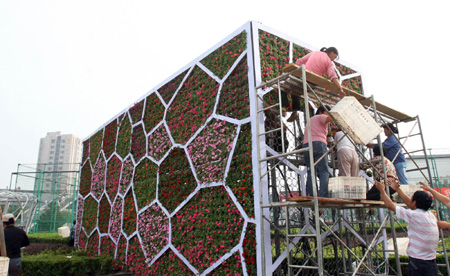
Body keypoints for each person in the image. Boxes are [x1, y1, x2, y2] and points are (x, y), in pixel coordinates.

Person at [375, 180, 438, 276]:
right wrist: (397, 189)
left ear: (415, 202)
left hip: (418, 263)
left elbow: (390, 205)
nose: (410, 200)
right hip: (431, 263)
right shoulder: (430, 215)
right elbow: (410, 204)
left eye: (411, 198)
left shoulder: (414, 215)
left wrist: (382, 190)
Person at [283, 47, 346, 122]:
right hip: (312, 83)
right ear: (332, 52)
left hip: (303, 76)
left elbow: (300, 61)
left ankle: (284, 109)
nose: (333, 59)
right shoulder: (329, 62)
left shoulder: (315, 53)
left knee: (284, 87)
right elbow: (333, 77)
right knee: (295, 92)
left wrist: (294, 73)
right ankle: (294, 112)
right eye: (335, 57)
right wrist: (340, 89)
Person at [302, 105, 333, 197]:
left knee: (311, 171)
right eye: (327, 112)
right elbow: (331, 118)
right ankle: (324, 195)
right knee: (323, 170)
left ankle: (312, 194)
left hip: (307, 145)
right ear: (321, 111)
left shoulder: (310, 120)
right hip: (319, 143)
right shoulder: (320, 116)